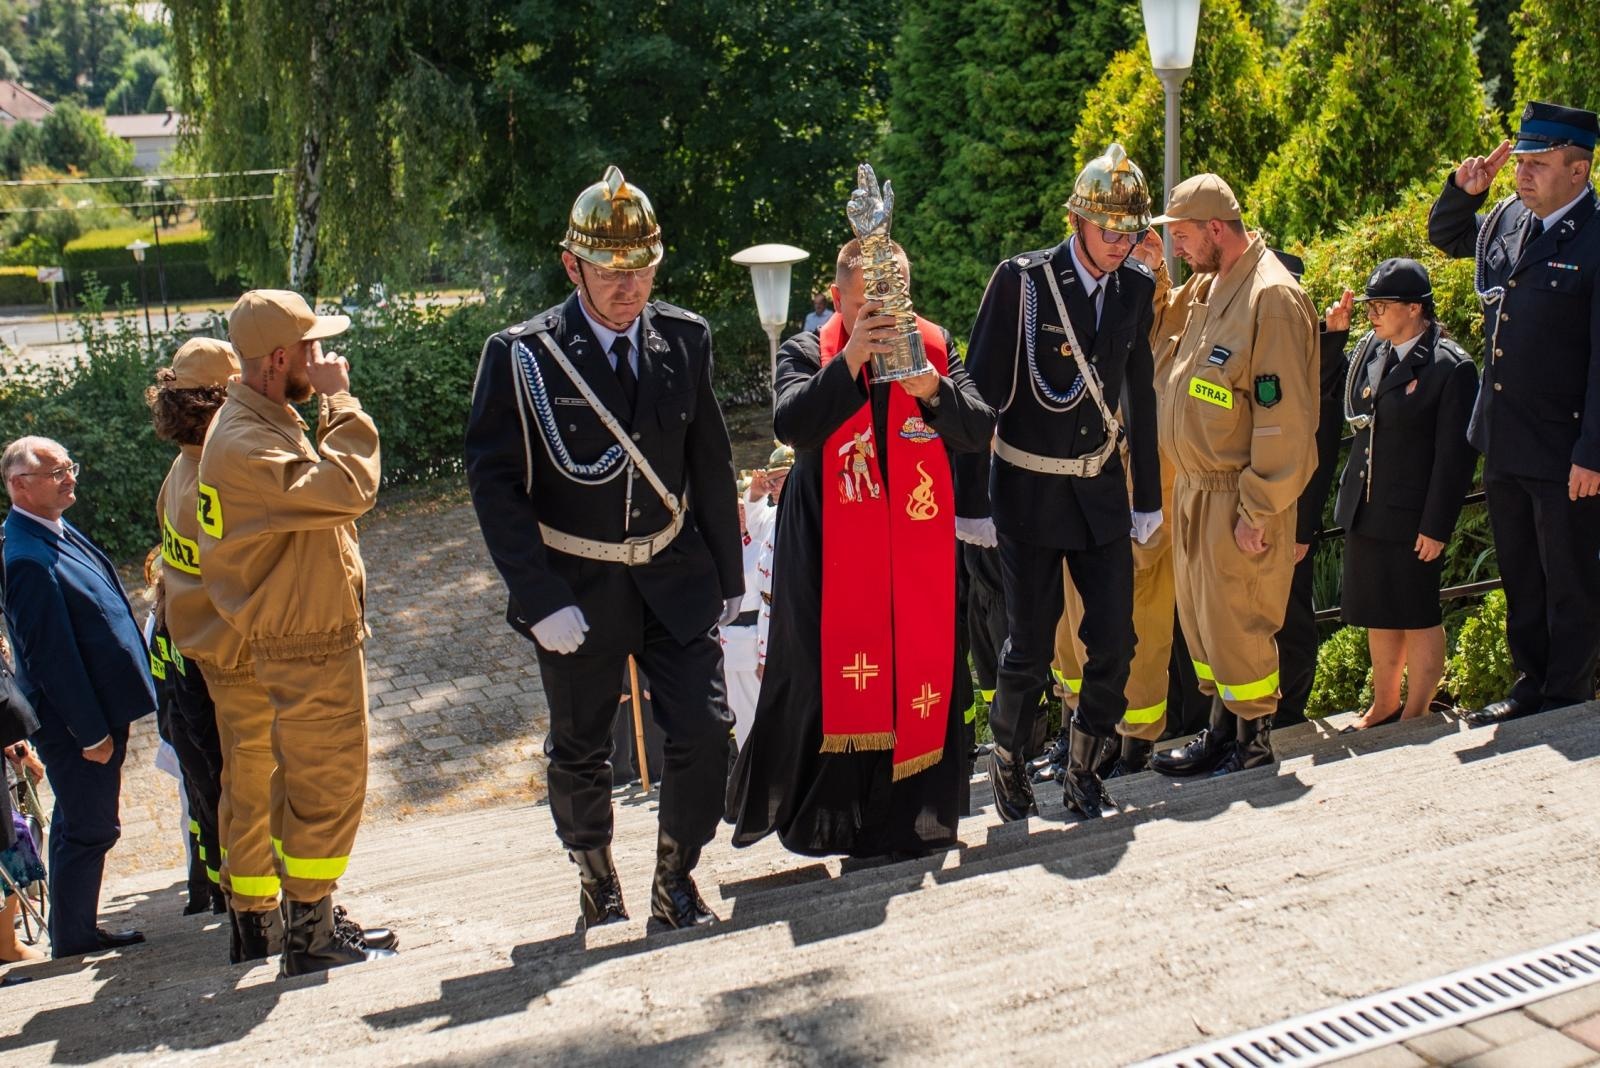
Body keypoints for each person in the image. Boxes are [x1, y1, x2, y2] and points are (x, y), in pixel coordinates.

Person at [465, 166, 744, 931]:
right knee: (581, 748)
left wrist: (728, 572)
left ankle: (675, 877)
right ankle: (594, 871)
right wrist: (537, 595)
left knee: (703, 729)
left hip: (672, 570)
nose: (630, 286)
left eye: (643, 268)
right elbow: (495, 485)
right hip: (576, 581)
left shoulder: (684, 338)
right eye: (612, 271)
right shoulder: (522, 356)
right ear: (572, 266)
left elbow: (708, 462)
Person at [727, 230, 994, 858]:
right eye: (863, 308)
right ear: (837, 300)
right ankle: (828, 822)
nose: (878, 320)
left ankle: (907, 825)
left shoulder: (934, 348)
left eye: (890, 307)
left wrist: (930, 388)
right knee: (827, 685)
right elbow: (793, 423)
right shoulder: (807, 350)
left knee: (915, 679)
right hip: (827, 557)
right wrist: (849, 360)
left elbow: (979, 428)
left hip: (915, 557)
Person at [198, 290, 396, 975]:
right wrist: (342, 402)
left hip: (307, 631)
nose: (324, 359)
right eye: (312, 349)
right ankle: (310, 936)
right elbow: (348, 489)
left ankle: (308, 918)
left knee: (307, 782)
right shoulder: (248, 441)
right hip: (304, 641)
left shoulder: (260, 417)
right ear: (279, 357)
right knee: (328, 782)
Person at [964, 143, 1161, 822]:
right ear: (1077, 221)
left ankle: (1083, 769)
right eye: (1110, 230)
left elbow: (1140, 392)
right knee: (1028, 645)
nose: (1121, 244)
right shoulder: (1023, 281)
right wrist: (973, 503)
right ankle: (1012, 756)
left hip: (1100, 490)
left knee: (1115, 640)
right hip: (1026, 490)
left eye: (1131, 233)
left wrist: (1149, 497)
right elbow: (977, 393)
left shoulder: (1136, 286)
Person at [1428, 101, 1600, 725]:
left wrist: (1592, 451)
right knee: (1521, 573)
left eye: (1538, 163)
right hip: (1504, 437)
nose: (1522, 174)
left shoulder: (1595, 237)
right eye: (1520, 161)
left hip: (1564, 447)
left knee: (1569, 579)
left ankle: (1567, 696)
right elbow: (1447, 237)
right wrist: (1461, 192)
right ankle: (1532, 684)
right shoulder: (1505, 219)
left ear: (1578, 171)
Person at [1143, 173, 1319, 779]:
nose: (1179, 248)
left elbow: (1285, 418)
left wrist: (1261, 506)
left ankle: (1253, 743)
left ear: (1217, 229)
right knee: (1204, 620)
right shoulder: (1207, 287)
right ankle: (1221, 731)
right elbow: (1158, 350)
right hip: (1194, 487)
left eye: (1185, 237)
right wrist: (1153, 276)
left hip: (1238, 492)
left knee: (1242, 620)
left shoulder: (1271, 296)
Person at [2, 436, 154, 957]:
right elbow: (51, 660)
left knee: (79, 817)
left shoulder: (50, 524)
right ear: (20, 486)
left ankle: (74, 929)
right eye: (56, 472)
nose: (70, 477)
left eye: (71, 467)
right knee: (91, 826)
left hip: (100, 708)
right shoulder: (23, 555)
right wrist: (90, 733)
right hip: (78, 721)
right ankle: (74, 936)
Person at [1331, 259, 1479, 730]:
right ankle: (1384, 702)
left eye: (1382, 305)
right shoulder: (1373, 352)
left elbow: (1454, 458)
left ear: (1415, 309)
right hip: (1369, 505)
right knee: (1379, 608)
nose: (1372, 313)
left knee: (1416, 611)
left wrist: (1436, 526)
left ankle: (1416, 711)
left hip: (1413, 514)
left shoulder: (1449, 367)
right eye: (1371, 304)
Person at [146, 339, 234, 920]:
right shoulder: (218, 470)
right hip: (222, 660)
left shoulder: (180, 465)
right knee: (237, 789)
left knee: (207, 789)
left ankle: (221, 891)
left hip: (185, 655)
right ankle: (254, 909)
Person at [722, 445, 792, 747]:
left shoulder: (787, 516)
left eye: (779, 480)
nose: (773, 487)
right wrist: (755, 492)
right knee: (745, 725)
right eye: (771, 480)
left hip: (766, 636)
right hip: (736, 643)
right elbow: (752, 516)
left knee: (770, 724)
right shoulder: (763, 524)